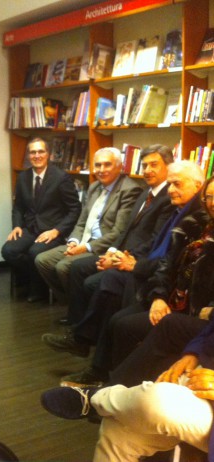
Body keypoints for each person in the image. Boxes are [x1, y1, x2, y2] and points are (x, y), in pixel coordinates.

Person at [43, 161, 208, 387]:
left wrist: (135, 266)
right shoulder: (178, 211)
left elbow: (172, 264)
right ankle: (95, 362)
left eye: (177, 184)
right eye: (170, 184)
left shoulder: (196, 221)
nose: (171, 189)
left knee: (117, 309)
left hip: (163, 284)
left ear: (198, 186)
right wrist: (122, 257)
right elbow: (156, 247)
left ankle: (99, 365)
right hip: (154, 275)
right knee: (109, 286)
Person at [50, 144, 175, 325]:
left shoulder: (168, 198)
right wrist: (112, 250)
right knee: (77, 268)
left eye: (153, 165)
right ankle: (75, 322)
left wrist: (119, 257)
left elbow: (155, 240)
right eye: (144, 166)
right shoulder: (145, 193)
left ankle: (87, 329)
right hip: (119, 252)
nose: (147, 170)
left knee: (90, 280)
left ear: (169, 166)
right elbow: (125, 230)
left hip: (136, 259)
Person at [35, 147, 143, 301]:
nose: (101, 170)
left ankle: (78, 304)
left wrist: (85, 247)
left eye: (107, 165)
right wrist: (74, 241)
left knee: (63, 266)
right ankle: (70, 300)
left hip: (103, 246)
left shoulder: (130, 190)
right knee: (42, 260)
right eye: (97, 165)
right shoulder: (94, 187)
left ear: (119, 167)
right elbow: (82, 222)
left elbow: (119, 232)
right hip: (83, 241)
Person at [1, 138, 81, 302]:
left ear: (48, 154)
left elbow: (75, 209)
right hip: (30, 228)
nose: (37, 155)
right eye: (33, 152)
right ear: (28, 156)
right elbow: (18, 207)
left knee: (34, 252)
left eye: (41, 151)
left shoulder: (61, 178)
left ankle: (38, 288)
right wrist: (17, 226)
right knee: (9, 250)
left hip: (53, 231)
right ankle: (35, 279)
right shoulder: (23, 177)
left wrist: (57, 230)